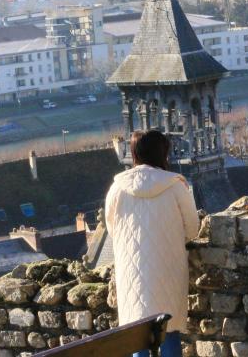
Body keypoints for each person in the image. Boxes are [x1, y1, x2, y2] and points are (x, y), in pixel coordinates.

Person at [105, 130, 199, 357]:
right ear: (163, 153)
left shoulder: (117, 188)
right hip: (168, 269)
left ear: (134, 153)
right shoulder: (175, 186)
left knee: (138, 338)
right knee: (169, 332)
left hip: (132, 272)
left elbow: (112, 228)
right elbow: (193, 229)